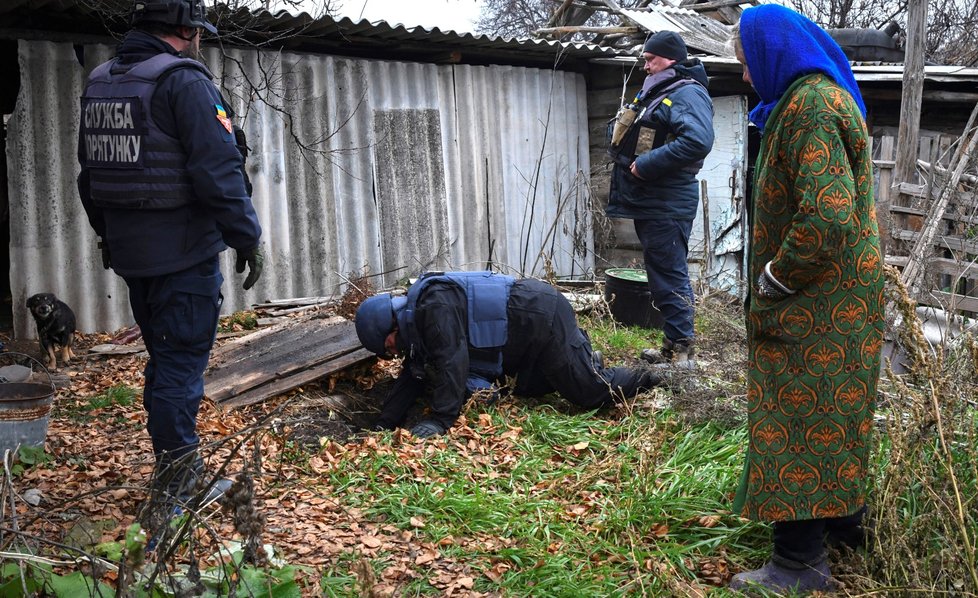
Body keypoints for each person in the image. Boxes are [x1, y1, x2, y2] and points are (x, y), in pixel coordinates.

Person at [77, 0, 263, 504]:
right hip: (183, 256)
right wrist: (246, 236)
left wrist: (109, 236)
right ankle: (179, 485)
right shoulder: (184, 81)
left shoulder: (102, 82)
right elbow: (219, 171)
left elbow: (89, 175)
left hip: (136, 257)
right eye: (200, 32)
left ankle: (173, 467)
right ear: (187, 30)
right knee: (180, 368)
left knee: (165, 361)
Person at [728, 5, 885, 594]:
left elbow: (826, 215)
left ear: (772, 52)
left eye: (746, 63)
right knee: (833, 410)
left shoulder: (809, 106)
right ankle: (843, 522)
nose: (744, 76)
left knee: (794, 414)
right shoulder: (814, 98)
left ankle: (799, 564)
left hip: (819, 300)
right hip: (841, 294)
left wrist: (776, 276)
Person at [354, 271, 660, 438]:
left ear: (391, 323)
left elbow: (452, 361)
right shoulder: (416, 321)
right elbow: (413, 373)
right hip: (520, 339)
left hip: (539, 315)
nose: (392, 353)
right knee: (528, 388)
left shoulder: (433, 307)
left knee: (589, 391)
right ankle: (584, 358)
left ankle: (656, 375)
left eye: (389, 345)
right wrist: (384, 422)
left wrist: (440, 421)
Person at [606, 30, 715, 366]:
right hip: (654, 201)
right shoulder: (662, 90)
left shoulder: (687, 93)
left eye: (651, 59)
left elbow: (698, 141)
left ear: (671, 58)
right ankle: (671, 345)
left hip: (666, 202)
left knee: (669, 274)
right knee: (661, 273)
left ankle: (684, 356)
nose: (646, 65)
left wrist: (645, 165)